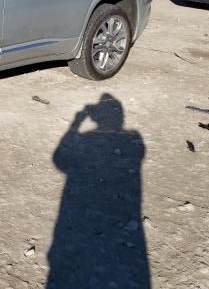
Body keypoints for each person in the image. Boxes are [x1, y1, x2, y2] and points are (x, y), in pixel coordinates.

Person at [46, 93, 150, 288]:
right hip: (121, 213)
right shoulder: (134, 139)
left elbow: (59, 160)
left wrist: (74, 126)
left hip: (80, 211)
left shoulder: (87, 138)